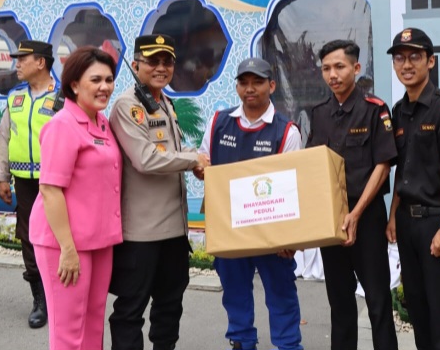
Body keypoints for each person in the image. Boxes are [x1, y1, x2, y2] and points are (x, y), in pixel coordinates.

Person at [194, 57, 304, 350]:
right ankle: (242, 341)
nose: (250, 89)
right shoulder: (219, 122)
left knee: (281, 292)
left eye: (257, 82)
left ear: (272, 86)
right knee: (234, 291)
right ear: (237, 87)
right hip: (230, 228)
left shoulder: (287, 131)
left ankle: (288, 345)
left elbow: (293, 186)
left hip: (272, 232)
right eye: (244, 83)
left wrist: (291, 238)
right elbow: (204, 162)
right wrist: (200, 168)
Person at [108, 34, 208, 350]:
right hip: (142, 233)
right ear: (136, 64)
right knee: (130, 309)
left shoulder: (164, 102)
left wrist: (196, 157)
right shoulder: (128, 106)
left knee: (169, 305)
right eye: (153, 61)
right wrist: (192, 160)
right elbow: (146, 159)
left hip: (173, 231)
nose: (161, 68)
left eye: (167, 62)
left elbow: (170, 150)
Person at [385, 28, 440, 350]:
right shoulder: (399, 111)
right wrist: (393, 216)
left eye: (414, 56)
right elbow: (403, 169)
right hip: (408, 224)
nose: (406, 64)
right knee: (418, 310)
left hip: (437, 221)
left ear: (431, 61)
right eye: (400, 58)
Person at [28, 47, 122, 350]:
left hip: (99, 240)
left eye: (109, 79)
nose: (104, 87)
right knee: (68, 331)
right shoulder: (62, 125)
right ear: (75, 85)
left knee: (93, 322)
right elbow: (50, 189)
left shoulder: (101, 122)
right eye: (95, 80)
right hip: (64, 242)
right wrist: (67, 249)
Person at [306, 40, 397, 350]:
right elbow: (312, 166)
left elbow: (383, 165)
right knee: (340, 302)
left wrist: (356, 214)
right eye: (326, 69)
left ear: (356, 68)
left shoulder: (374, 110)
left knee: (378, 301)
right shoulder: (319, 113)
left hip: (367, 217)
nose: (332, 75)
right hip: (331, 222)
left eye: (339, 67)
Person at [0, 39, 59, 329]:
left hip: (56, 183)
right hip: (24, 183)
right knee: (28, 238)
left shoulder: (63, 97)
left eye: (23, 59)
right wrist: (2, 177)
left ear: (41, 62)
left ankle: (61, 295)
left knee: (58, 237)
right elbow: (4, 137)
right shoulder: (15, 97)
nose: (17, 64)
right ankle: (40, 300)